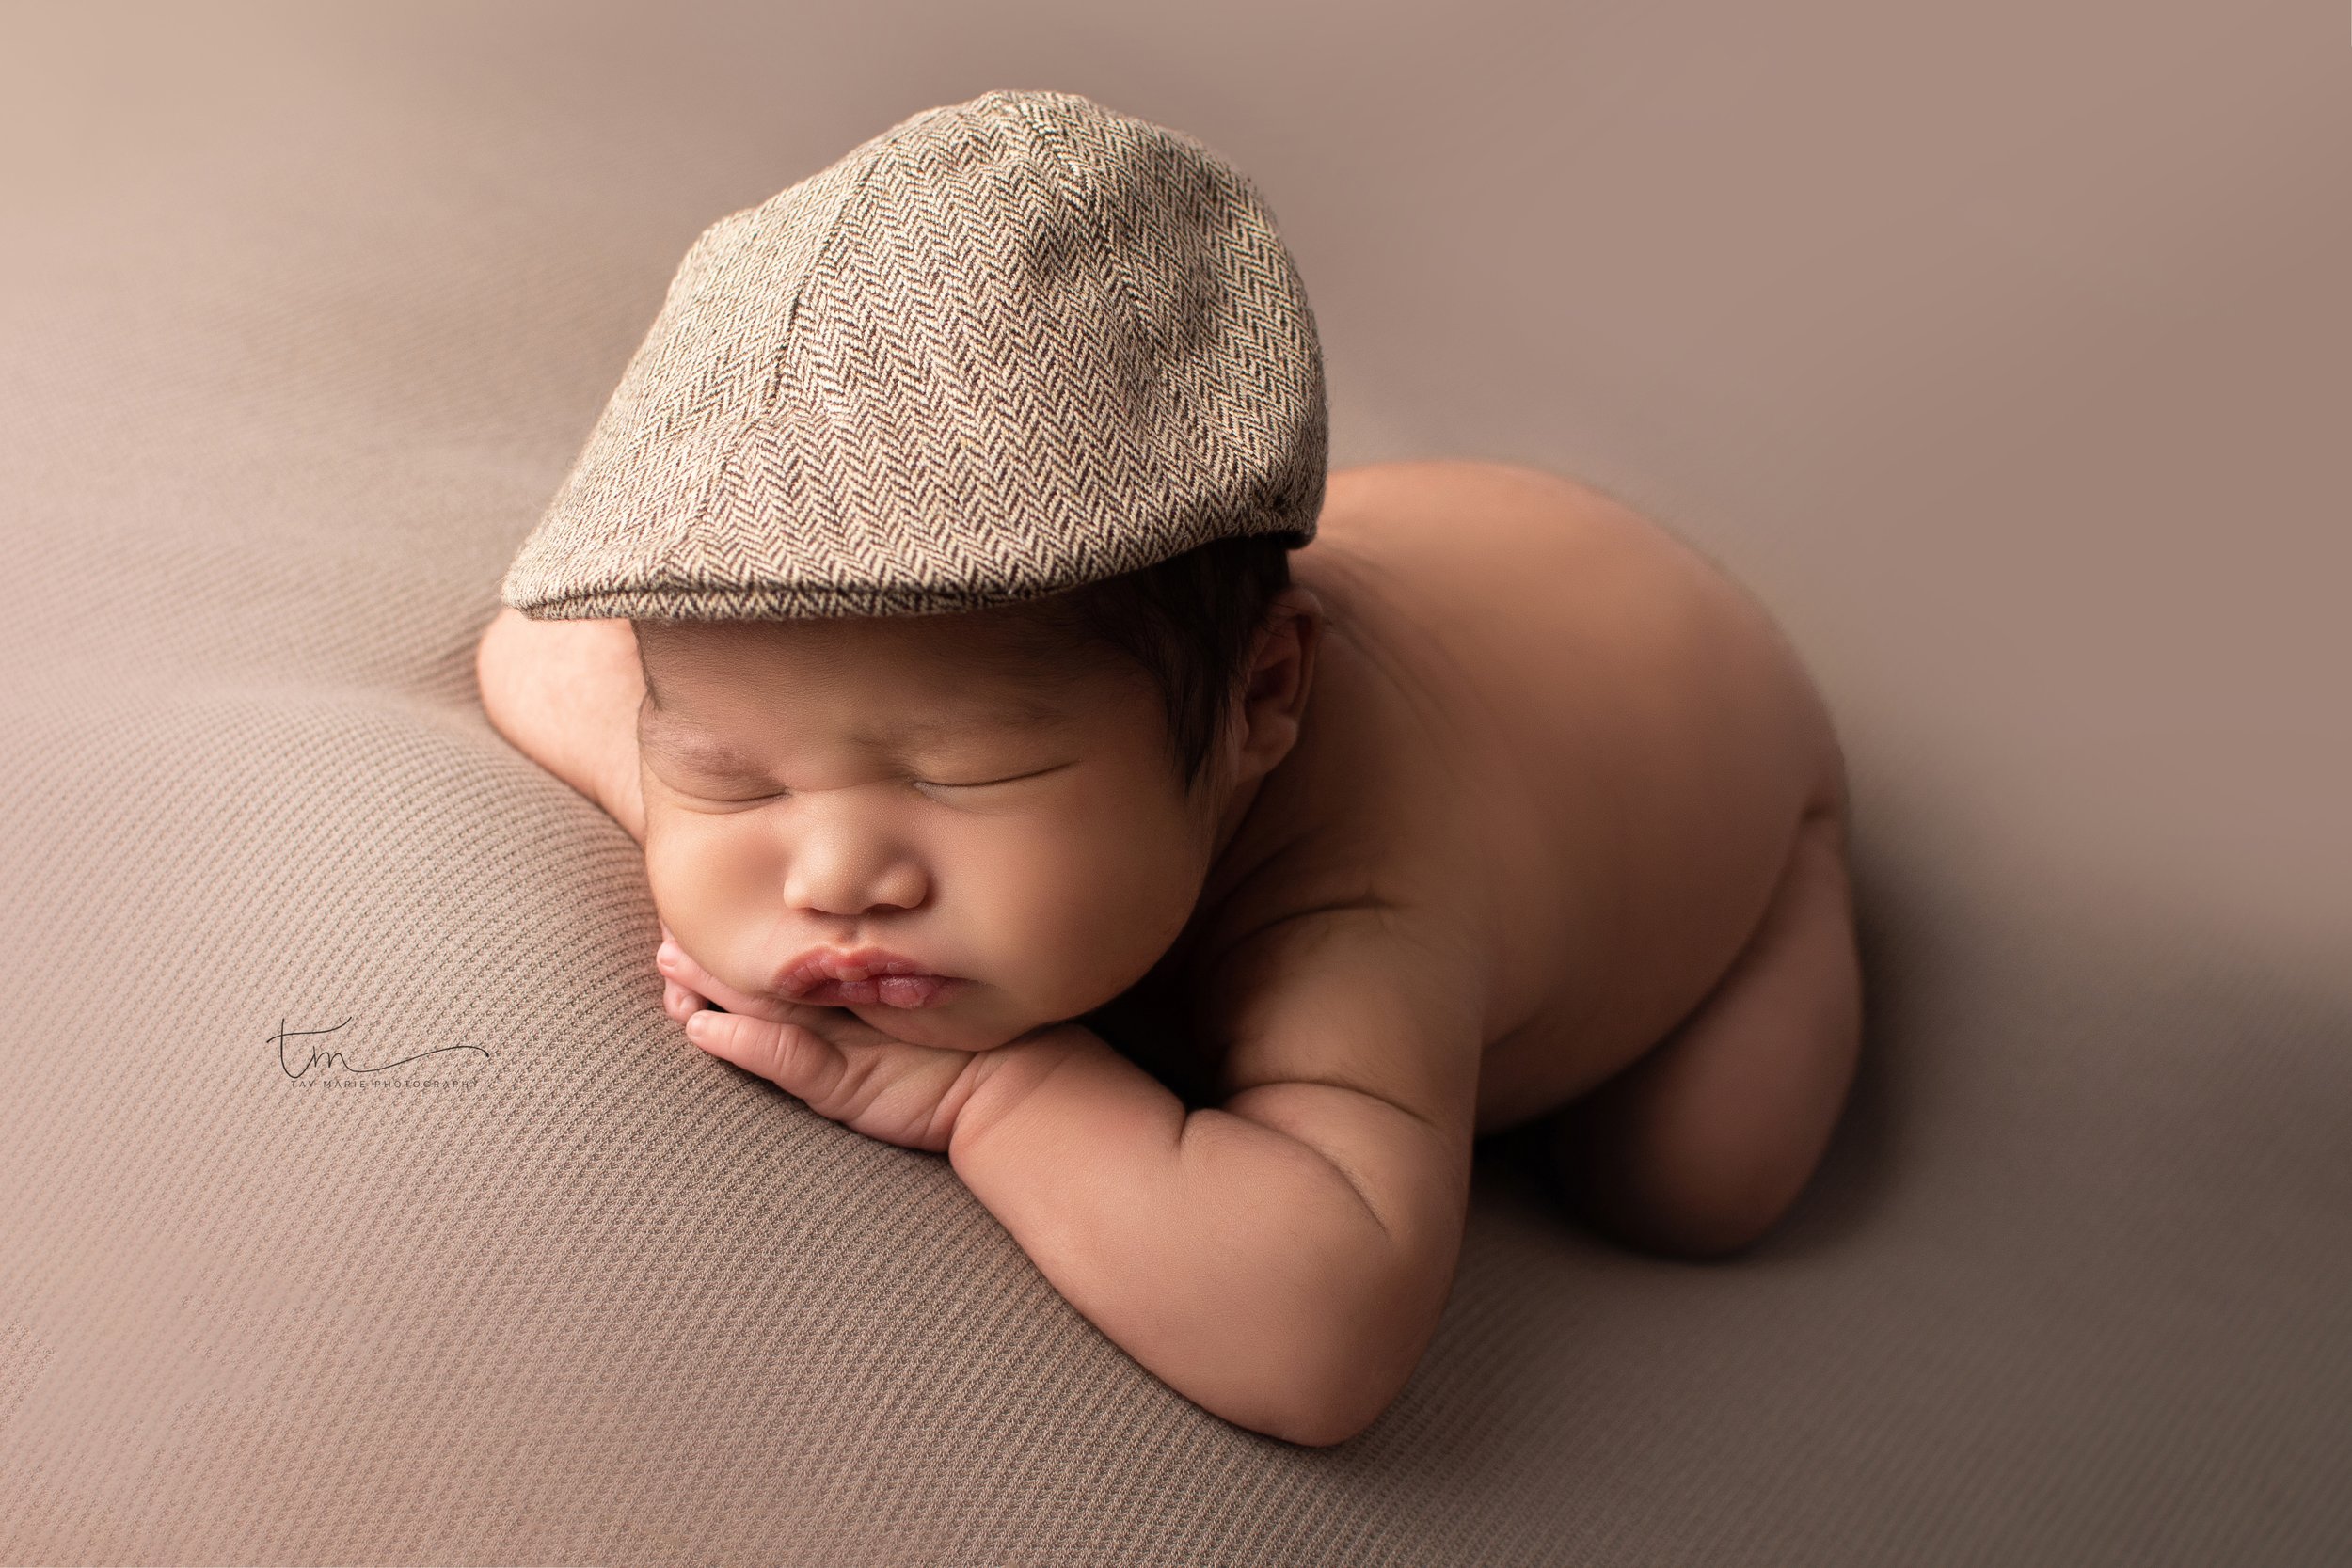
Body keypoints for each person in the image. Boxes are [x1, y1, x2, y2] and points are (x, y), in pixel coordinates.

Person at [474, 89, 1861, 1449]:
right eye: (739, 780)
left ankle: (1810, 871)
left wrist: (990, 1095)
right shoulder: (892, 679)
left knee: (1695, 1179)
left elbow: (1319, 1336)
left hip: (1697, 720)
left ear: (1265, 696)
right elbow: (535, 656)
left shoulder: (1359, 890)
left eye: (961, 775)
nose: (833, 875)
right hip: (1450, 554)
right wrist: (685, 801)